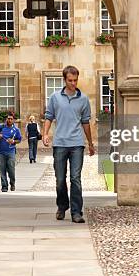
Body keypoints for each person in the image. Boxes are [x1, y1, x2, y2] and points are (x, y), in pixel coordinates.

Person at [43, 65, 95, 224]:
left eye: (75, 80)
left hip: (77, 144)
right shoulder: (55, 97)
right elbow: (49, 117)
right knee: (60, 179)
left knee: (75, 179)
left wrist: (90, 143)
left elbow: (86, 123)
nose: (73, 83)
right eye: (70, 80)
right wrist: (45, 134)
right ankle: (62, 206)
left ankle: (76, 212)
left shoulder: (84, 99)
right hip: (59, 143)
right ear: (64, 80)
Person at [0, 112, 22, 192]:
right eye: (8, 118)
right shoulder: (0, 127)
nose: (9, 120)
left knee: (11, 169)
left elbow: (19, 140)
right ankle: (4, 186)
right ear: (6, 119)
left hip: (11, 152)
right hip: (1, 152)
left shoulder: (16, 130)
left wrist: (13, 141)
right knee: (2, 170)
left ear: (13, 120)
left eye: (11, 119)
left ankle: (12, 183)